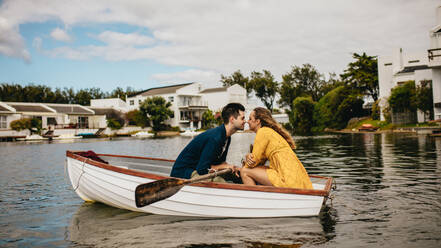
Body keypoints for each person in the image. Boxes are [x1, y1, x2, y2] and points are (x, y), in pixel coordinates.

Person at [240, 107, 313, 189]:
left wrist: (246, 158)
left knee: (244, 171)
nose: (247, 121)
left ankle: (254, 200)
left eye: (250, 119)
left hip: (286, 179)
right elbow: (259, 162)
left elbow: (253, 162)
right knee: (254, 169)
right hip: (294, 178)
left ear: (257, 121)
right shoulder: (269, 132)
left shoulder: (262, 131)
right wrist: (249, 158)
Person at [170, 103, 245, 182]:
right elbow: (202, 169)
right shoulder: (215, 138)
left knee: (238, 175)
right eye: (242, 118)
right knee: (219, 181)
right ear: (232, 119)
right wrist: (225, 166)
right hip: (185, 172)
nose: (245, 121)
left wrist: (234, 167)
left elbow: (220, 163)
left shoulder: (227, 137)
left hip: (199, 168)